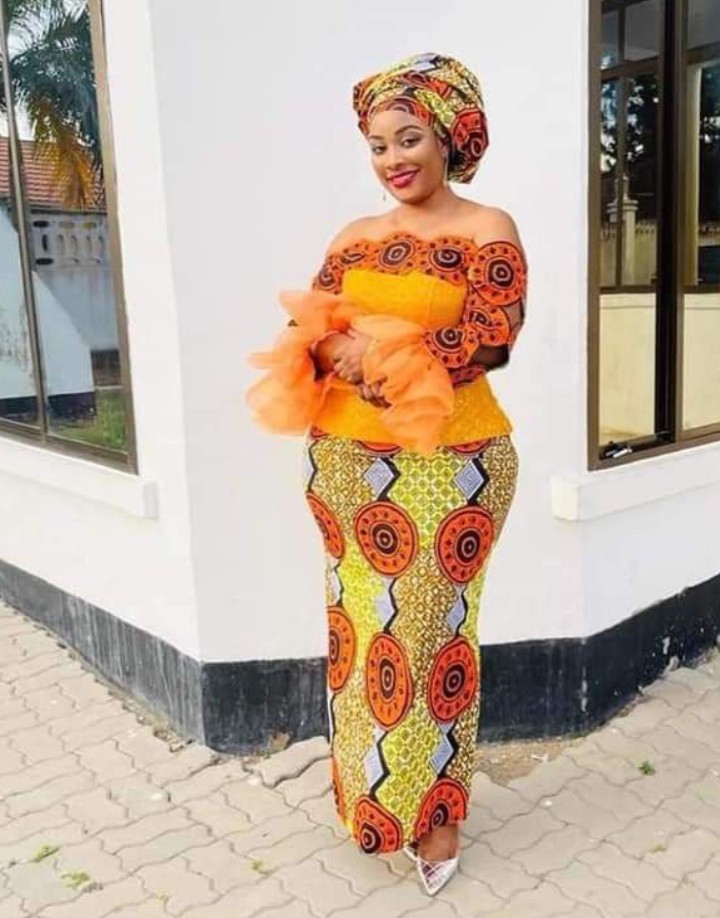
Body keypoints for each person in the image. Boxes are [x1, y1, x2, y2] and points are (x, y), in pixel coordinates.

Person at [247, 51, 527, 897]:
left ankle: (436, 816)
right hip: (343, 463)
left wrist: (375, 354)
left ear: (449, 136)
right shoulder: (352, 238)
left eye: (410, 138)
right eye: (377, 145)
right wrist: (340, 350)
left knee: (431, 638)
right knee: (360, 633)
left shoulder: (487, 228)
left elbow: (490, 338)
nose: (393, 159)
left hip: (451, 468)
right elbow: (307, 330)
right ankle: (369, 804)